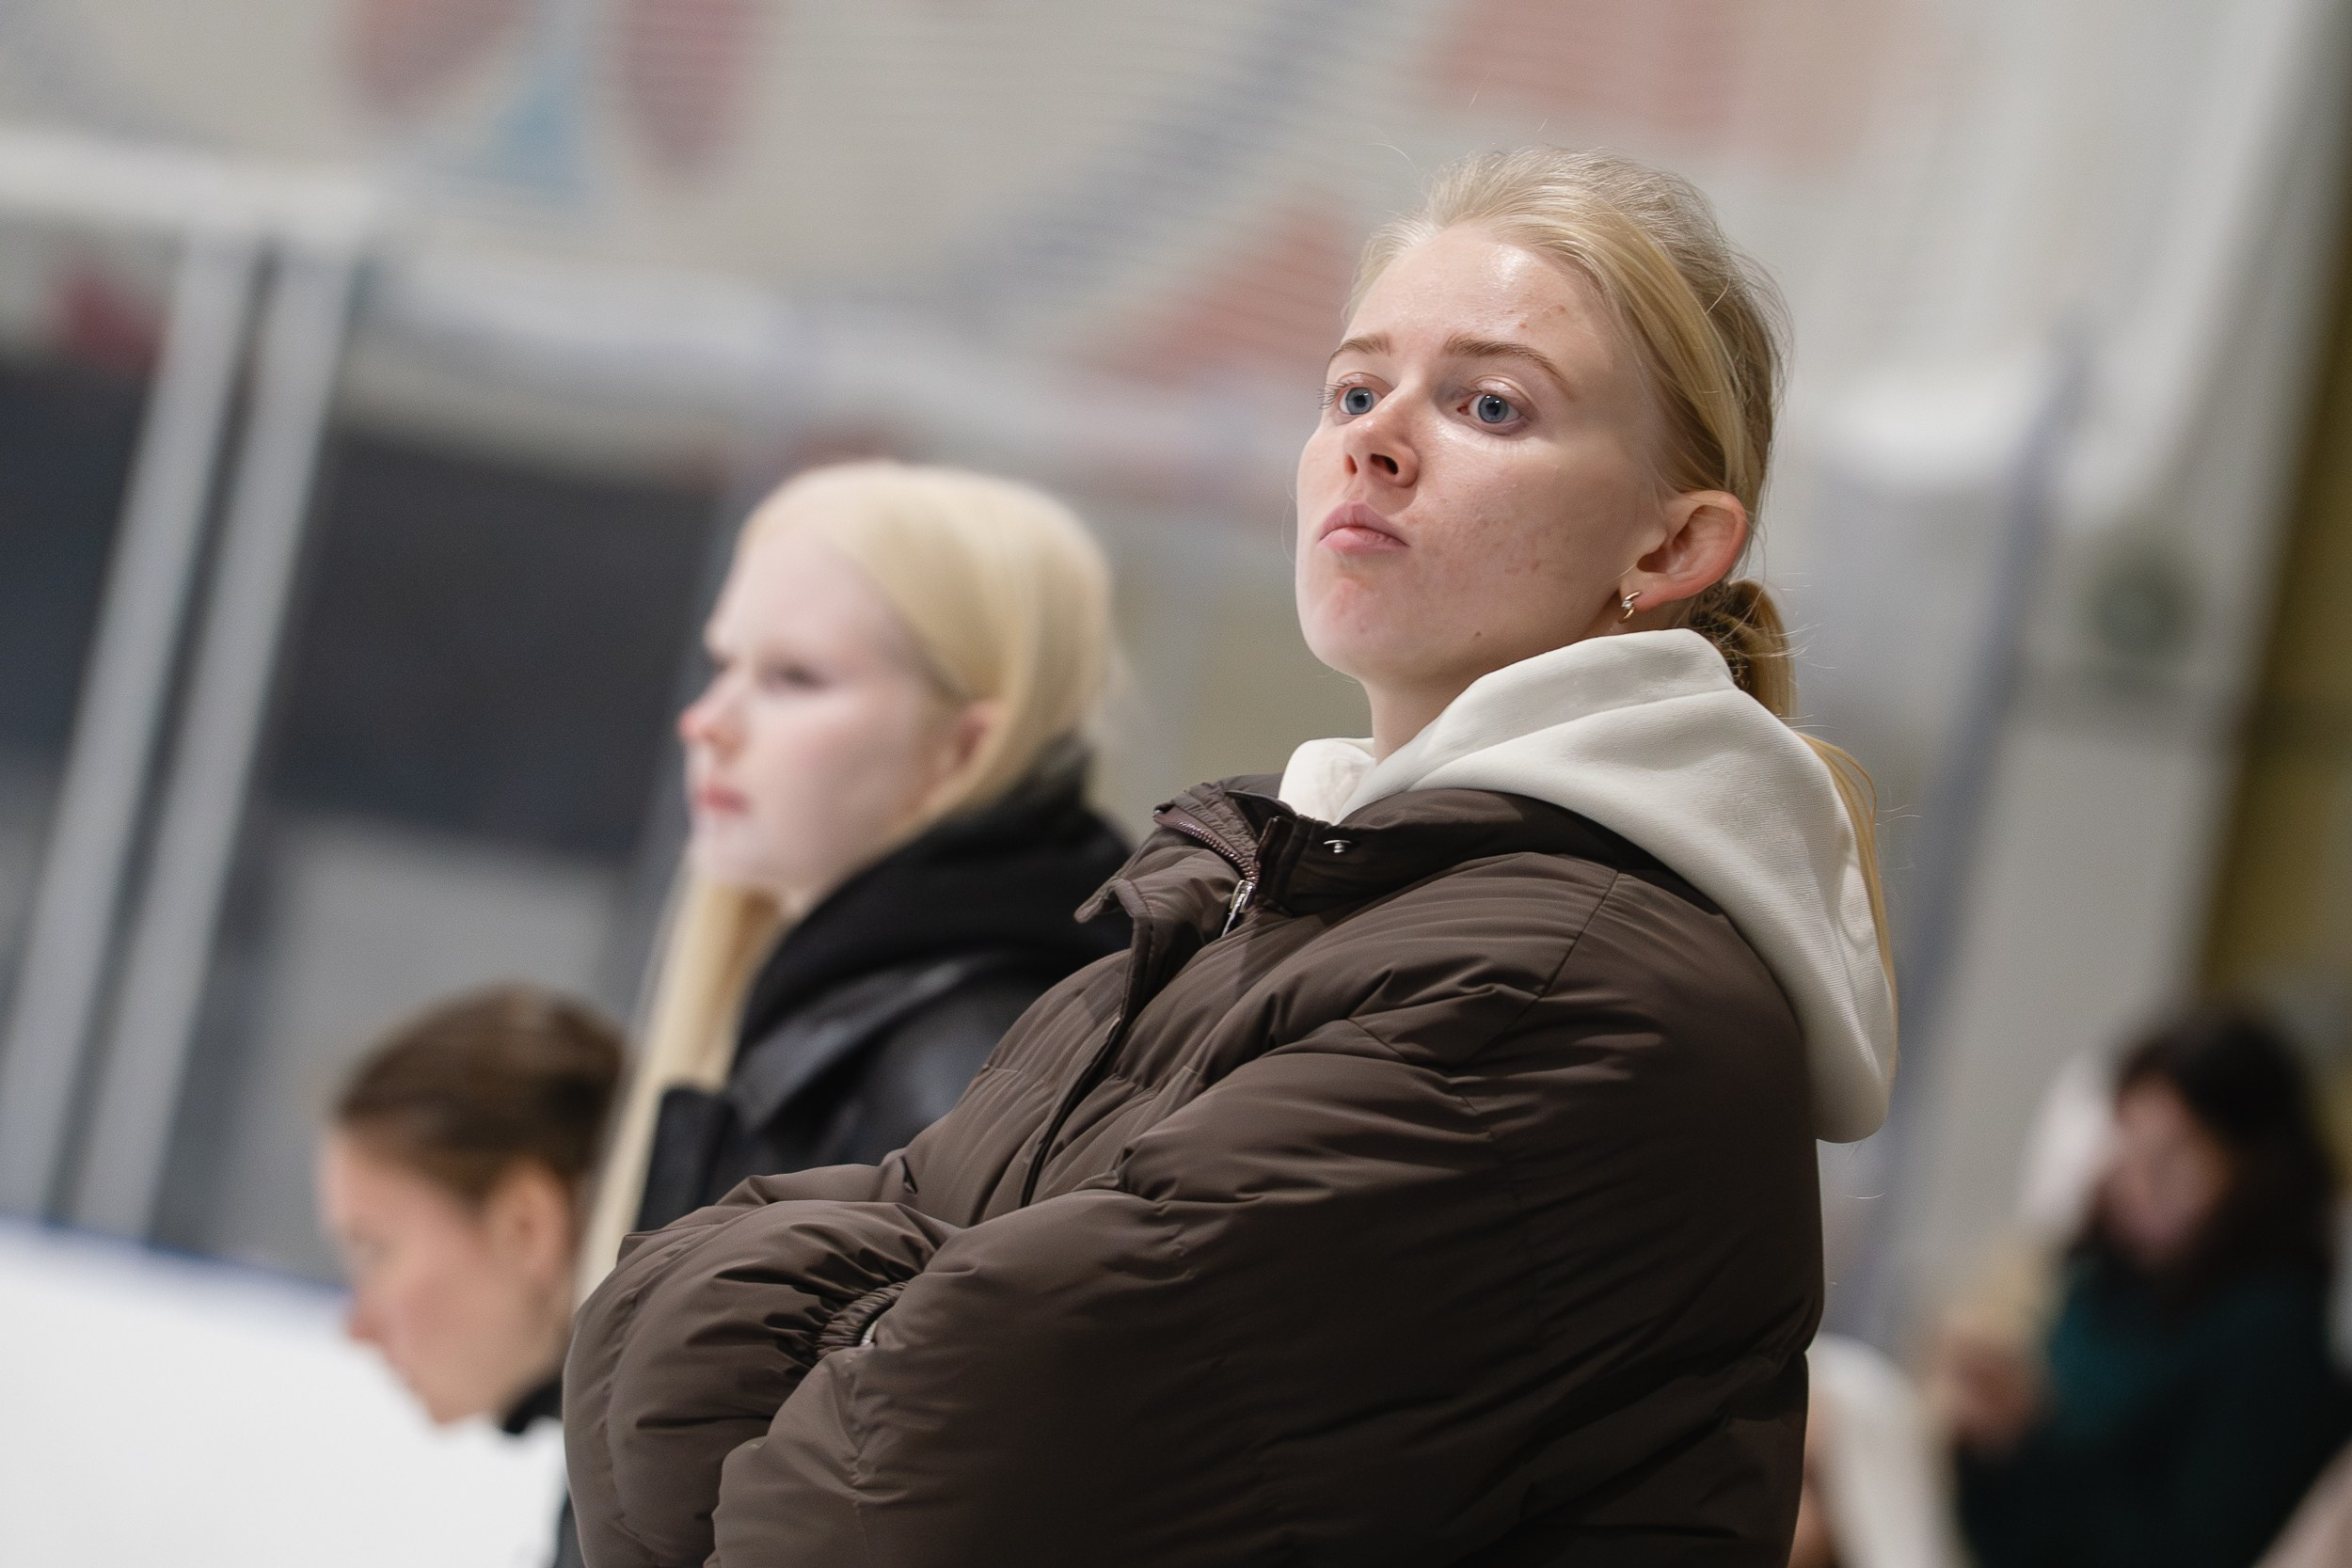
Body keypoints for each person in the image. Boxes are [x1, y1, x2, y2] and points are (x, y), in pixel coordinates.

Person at [564, 147, 1898, 1567]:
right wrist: (892, 1322)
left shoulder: (1572, 991)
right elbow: (641, 1332)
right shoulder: (1237, 902)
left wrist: (891, 1316)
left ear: (1673, 542)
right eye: (1354, 391)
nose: (1377, 441)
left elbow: (928, 1488)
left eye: (1490, 404)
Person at [575, 460, 1133, 1284]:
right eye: (722, 665)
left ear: (965, 745)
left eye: (794, 677)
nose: (707, 723)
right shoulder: (847, 1020)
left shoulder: (961, 1075)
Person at [1938, 1005, 2352, 1568]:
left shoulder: (2273, 1333)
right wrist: (1986, 1443)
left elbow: (2195, 1549)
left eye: (2172, 1160)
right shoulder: (2101, 1283)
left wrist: (2029, 1444)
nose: (2137, 1185)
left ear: (2256, 1170)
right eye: (2129, 1148)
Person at [319, 984, 625, 1568]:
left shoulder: (680, 1488)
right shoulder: (633, 1473)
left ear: (526, 1226)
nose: (357, 1327)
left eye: (375, 1252)